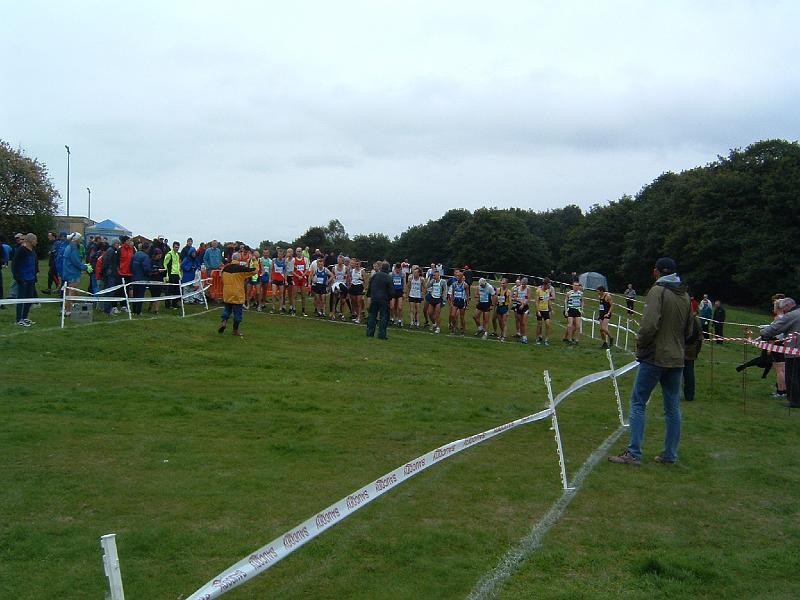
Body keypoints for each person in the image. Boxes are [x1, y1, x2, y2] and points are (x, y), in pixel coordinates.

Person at [609, 257, 693, 466]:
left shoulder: (657, 291)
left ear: (656, 272)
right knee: (672, 407)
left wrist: (640, 344)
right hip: (677, 357)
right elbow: (689, 329)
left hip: (655, 356)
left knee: (638, 402)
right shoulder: (684, 295)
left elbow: (648, 326)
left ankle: (634, 453)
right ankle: (670, 454)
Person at [759, 297, 800, 408]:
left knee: (791, 376)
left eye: (784, 308)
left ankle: (795, 402)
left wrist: (762, 332)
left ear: (787, 306)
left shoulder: (791, 315)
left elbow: (775, 329)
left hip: (794, 351)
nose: (783, 310)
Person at [218, 252, 256, 337]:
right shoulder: (241, 269)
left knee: (227, 310)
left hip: (227, 292)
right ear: (239, 259)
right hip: (237, 294)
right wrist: (255, 261)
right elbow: (254, 271)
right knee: (237, 313)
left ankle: (224, 322)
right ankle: (235, 330)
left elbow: (222, 279)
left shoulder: (225, 269)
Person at [11, 233, 38, 326]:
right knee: (21, 299)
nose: (36, 242)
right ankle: (18, 319)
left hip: (31, 279)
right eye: (35, 240)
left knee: (29, 299)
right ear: (30, 241)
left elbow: (34, 264)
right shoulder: (21, 250)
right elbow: (15, 265)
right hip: (23, 279)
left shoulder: (32, 251)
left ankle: (25, 317)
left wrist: (35, 275)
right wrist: (18, 278)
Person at [366, 261, 392, 340]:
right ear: (388, 269)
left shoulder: (375, 276)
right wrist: (389, 298)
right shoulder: (388, 277)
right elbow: (392, 291)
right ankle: (382, 335)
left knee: (372, 316)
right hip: (384, 299)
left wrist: (369, 296)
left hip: (374, 298)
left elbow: (370, 287)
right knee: (383, 317)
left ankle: (370, 333)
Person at [683, 314, 703, 401]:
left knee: (676, 372)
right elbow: (700, 337)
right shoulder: (696, 319)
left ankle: (674, 394)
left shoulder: (682, 316)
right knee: (689, 372)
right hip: (691, 350)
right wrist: (697, 350)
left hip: (681, 348)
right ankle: (689, 396)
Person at [130, 241, 152, 315]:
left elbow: (131, 265)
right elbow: (147, 268)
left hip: (134, 277)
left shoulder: (135, 254)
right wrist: (149, 274)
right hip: (142, 278)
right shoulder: (145, 256)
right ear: (147, 248)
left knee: (135, 294)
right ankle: (138, 311)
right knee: (140, 295)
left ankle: (133, 310)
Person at [426, 269, 448, 334]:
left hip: (439, 299)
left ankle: (438, 328)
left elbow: (445, 290)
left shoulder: (443, 281)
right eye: (433, 275)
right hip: (432, 298)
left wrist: (444, 300)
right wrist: (429, 280)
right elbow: (427, 287)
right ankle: (434, 324)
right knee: (429, 313)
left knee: (437, 314)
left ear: (438, 275)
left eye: (434, 275)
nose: (433, 276)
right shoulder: (433, 281)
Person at [534, 278, 555, 345]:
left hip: (546, 310)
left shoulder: (548, 291)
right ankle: (537, 338)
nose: (549, 286)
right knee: (539, 325)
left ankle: (546, 339)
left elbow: (548, 300)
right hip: (540, 310)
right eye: (548, 285)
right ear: (545, 285)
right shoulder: (538, 291)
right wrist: (538, 311)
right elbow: (536, 302)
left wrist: (551, 309)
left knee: (548, 324)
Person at [449, 270, 469, 336]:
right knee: (452, 315)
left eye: (458, 276)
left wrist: (467, 304)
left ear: (461, 277)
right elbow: (452, 294)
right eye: (456, 276)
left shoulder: (465, 285)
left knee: (462, 317)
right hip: (456, 301)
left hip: (462, 301)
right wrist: (451, 302)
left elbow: (467, 295)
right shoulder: (454, 284)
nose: (457, 277)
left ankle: (463, 330)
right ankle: (454, 328)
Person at [163, 241, 182, 309]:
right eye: (175, 247)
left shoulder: (177, 255)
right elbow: (165, 264)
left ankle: (174, 304)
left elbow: (177, 265)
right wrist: (167, 275)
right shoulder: (169, 254)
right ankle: (168, 305)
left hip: (176, 274)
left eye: (178, 247)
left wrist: (179, 274)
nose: (177, 248)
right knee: (169, 290)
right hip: (171, 274)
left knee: (176, 290)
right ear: (173, 247)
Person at [564, 281, 583, 345]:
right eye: (575, 285)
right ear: (572, 286)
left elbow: (582, 301)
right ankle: (569, 339)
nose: (576, 287)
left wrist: (582, 309)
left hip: (577, 310)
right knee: (570, 325)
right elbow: (565, 301)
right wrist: (566, 310)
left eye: (577, 286)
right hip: (571, 309)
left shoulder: (580, 293)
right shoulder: (569, 293)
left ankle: (576, 340)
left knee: (578, 326)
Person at [347, 258, 365, 323]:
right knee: (354, 302)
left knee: (359, 302)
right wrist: (349, 287)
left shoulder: (362, 271)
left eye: (358, 264)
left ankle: (359, 317)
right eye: (356, 264)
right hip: (353, 286)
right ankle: (357, 316)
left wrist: (364, 289)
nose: (357, 265)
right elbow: (350, 279)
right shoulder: (352, 271)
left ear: (360, 264)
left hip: (359, 286)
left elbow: (364, 280)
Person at [514, 277, 531, 344]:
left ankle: (525, 337)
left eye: (525, 284)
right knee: (520, 322)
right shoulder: (518, 288)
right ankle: (521, 335)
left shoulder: (528, 289)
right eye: (522, 284)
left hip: (525, 307)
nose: (523, 285)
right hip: (518, 306)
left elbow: (528, 298)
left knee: (524, 322)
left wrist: (523, 304)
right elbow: (515, 297)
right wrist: (519, 301)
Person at [494, 277, 511, 341]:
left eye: (504, 283)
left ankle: (504, 335)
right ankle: (501, 333)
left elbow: (510, 302)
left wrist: (508, 311)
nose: (502, 284)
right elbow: (496, 299)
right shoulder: (498, 290)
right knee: (500, 322)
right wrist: (495, 307)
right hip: (499, 307)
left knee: (504, 322)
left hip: (505, 307)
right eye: (501, 283)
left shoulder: (508, 292)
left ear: (507, 284)